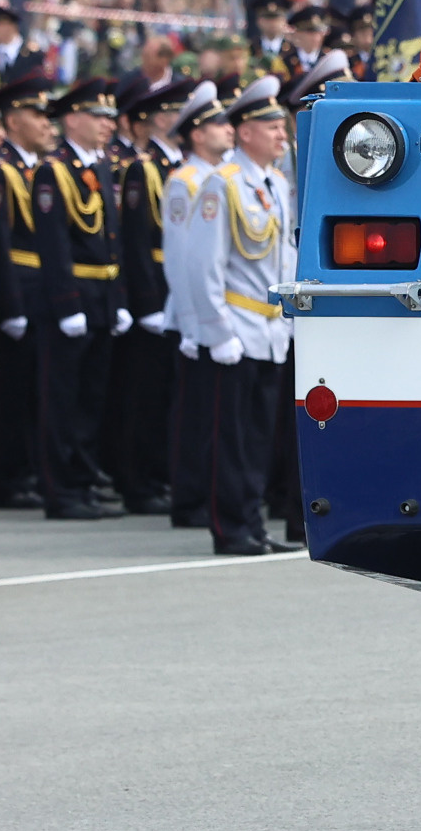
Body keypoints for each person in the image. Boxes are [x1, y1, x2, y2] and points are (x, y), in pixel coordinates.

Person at [196, 80, 300, 557]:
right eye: (271, 125)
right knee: (231, 437)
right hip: (237, 325)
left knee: (260, 436)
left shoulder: (275, 183)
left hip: (271, 326)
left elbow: (285, 255)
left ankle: (254, 522)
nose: (282, 134)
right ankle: (231, 526)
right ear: (245, 132)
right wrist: (217, 331)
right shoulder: (222, 182)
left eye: (282, 125)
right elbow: (205, 264)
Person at [32, 81, 130, 520]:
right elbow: (53, 246)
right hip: (72, 297)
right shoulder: (55, 170)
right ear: (72, 119)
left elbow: (114, 239)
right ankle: (62, 488)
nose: (107, 125)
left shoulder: (103, 167)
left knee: (94, 396)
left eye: (110, 118)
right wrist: (67, 303)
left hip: (104, 294)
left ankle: (85, 479)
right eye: (97, 116)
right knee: (63, 398)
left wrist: (120, 296)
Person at [0, 75, 57, 514]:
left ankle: (24, 470)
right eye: (36, 116)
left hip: (38, 288)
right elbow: (1, 244)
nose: (47, 124)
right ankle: (4, 476)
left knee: (32, 390)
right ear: (12, 120)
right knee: (10, 391)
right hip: (18, 289)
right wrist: (9, 306)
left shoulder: (31, 167)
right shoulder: (0, 170)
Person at [113, 79, 190, 523]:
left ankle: (158, 474)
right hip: (155, 291)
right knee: (144, 394)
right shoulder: (144, 168)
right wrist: (144, 302)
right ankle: (138, 481)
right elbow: (138, 242)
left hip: (174, 288)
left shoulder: (176, 165)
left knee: (166, 393)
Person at [159, 82, 232, 538]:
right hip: (193, 317)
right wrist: (191, 323)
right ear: (196, 134)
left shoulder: (221, 178)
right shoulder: (185, 182)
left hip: (210, 314)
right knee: (197, 414)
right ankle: (188, 498)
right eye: (217, 124)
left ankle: (205, 494)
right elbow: (181, 256)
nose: (227, 130)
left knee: (215, 415)